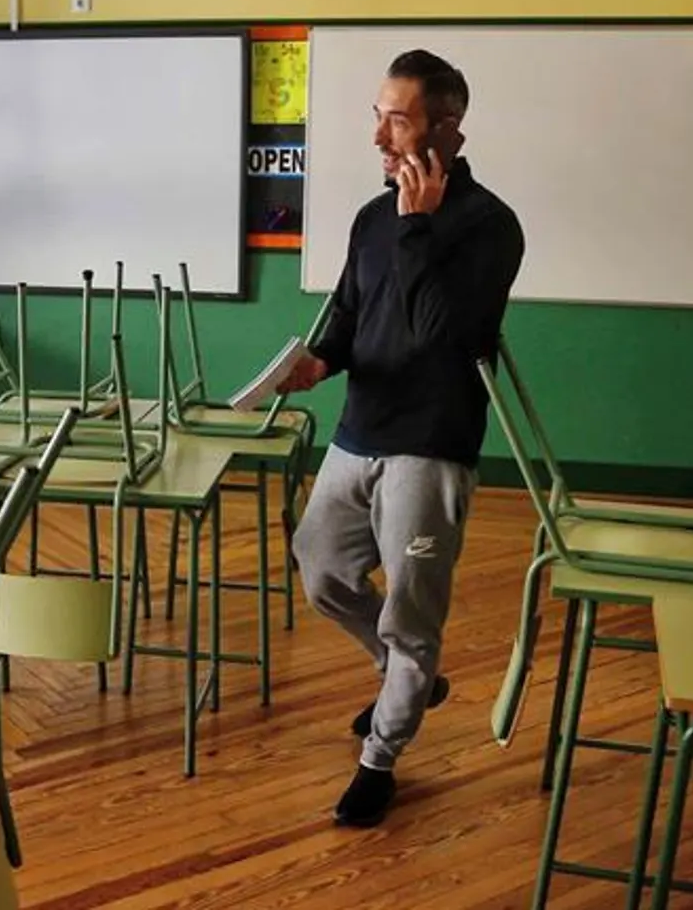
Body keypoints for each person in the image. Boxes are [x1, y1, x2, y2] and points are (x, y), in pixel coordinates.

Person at [277, 49, 524, 827]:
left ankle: (380, 757)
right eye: (377, 115)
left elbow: (442, 335)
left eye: (398, 119)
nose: (380, 137)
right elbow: (354, 314)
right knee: (318, 569)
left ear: (447, 129)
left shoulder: (489, 226)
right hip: (359, 431)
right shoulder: (372, 219)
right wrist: (321, 360)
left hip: (432, 442)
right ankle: (401, 674)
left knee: (413, 617)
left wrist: (419, 227)